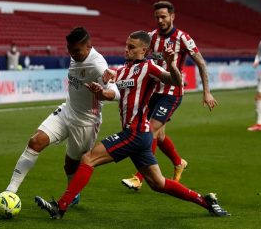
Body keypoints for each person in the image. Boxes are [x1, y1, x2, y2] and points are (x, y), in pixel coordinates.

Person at [34, 30, 230, 219]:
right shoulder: (121, 71)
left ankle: (60, 206)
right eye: (126, 46)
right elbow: (109, 92)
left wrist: (171, 64)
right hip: (140, 136)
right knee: (158, 183)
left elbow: (176, 82)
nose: (126, 50)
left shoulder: (150, 67)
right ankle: (206, 202)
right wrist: (99, 91)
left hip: (135, 133)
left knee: (88, 158)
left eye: (132, 47)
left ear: (144, 50)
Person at [2, 27, 119, 206]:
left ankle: (71, 194)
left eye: (76, 51)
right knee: (35, 142)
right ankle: (10, 192)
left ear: (89, 46)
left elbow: (116, 93)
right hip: (66, 111)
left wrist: (103, 92)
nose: (72, 54)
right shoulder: (76, 55)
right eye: (69, 50)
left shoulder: (98, 65)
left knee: (70, 165)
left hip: (86, 121)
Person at [122, 1, 218, 190]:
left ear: (172, 16)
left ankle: (139, 178)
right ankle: (178, 162)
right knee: (161, 136)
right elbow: (139, 59)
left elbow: (201, 63)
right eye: (157, 17)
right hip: (153, 93)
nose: (160, 20)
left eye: (164, 16)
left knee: (150, 132)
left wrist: (206, 91)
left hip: (172, 93)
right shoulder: (151, 38)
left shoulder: (183, 37)